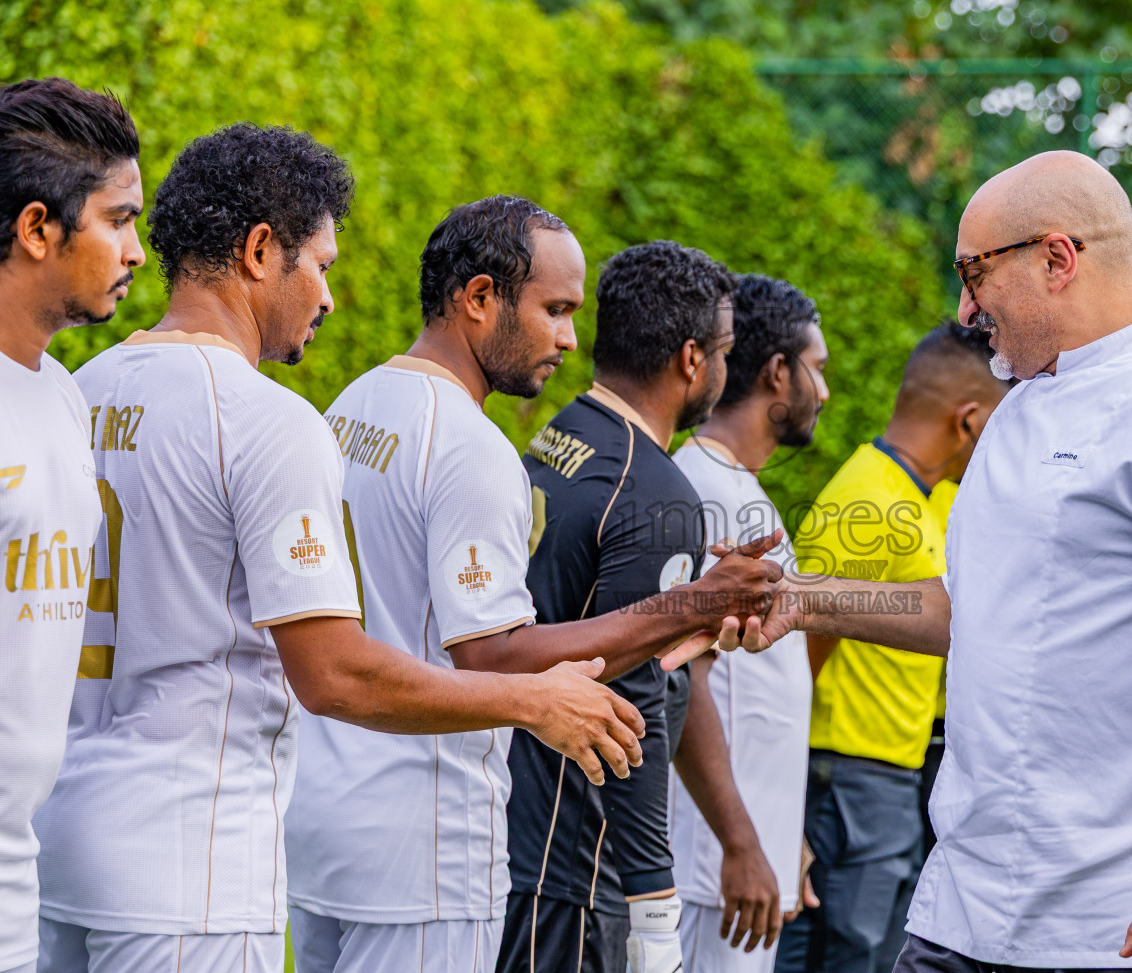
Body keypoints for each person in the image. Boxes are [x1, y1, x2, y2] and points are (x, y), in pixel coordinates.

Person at [679, 150, 1132, 973]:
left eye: (974, 273)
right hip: (967, 911)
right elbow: (969, 610)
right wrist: (804, 599)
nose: (965, 307)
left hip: (1123, 928)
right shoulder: (1019, 409)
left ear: (1058, 258)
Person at [30, 125, 649, 973]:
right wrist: (532, 701)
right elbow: (334, 674)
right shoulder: (263, 419)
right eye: (319, 264)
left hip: (60, 844)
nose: (328, 298)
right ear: (259, 253)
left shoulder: (77, 391)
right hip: (191, 867)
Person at [283, 198, 782, 973]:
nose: (569, 339)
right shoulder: (470, 445)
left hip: (323, 817)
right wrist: (695, 602)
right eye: (553, 310)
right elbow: (495, 660)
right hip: (423, 845)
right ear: (479, 299)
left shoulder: (355, 402)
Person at [499, 240, 745, 973]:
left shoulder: (563, 433)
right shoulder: (659, 489)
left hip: (514, 826)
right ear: (693, 359)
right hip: (570, 863)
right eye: (726, 353)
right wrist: (654, 909)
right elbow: (631, 695)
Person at [772, 321, 1010, 973]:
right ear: (968, 420)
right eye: (1003, 422)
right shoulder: (868, 504)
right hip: (846, 779)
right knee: (840, 953)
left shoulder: (932, 499)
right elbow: (798, 660)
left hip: (898, 776)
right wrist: (784, 814)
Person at [0, 77, 142, 973]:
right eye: (117, 220)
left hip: (23, 873)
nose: (136, 250)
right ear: (37, 229)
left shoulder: (59, 393)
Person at [668, 274, 829, 971]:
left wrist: (780, 829)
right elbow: (684, 674)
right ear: (776, 373)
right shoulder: (702, 487)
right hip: (710, 871)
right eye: (816, 369)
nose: (823, 391)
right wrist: (739, 843)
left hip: (745, 856)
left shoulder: (741, 489)